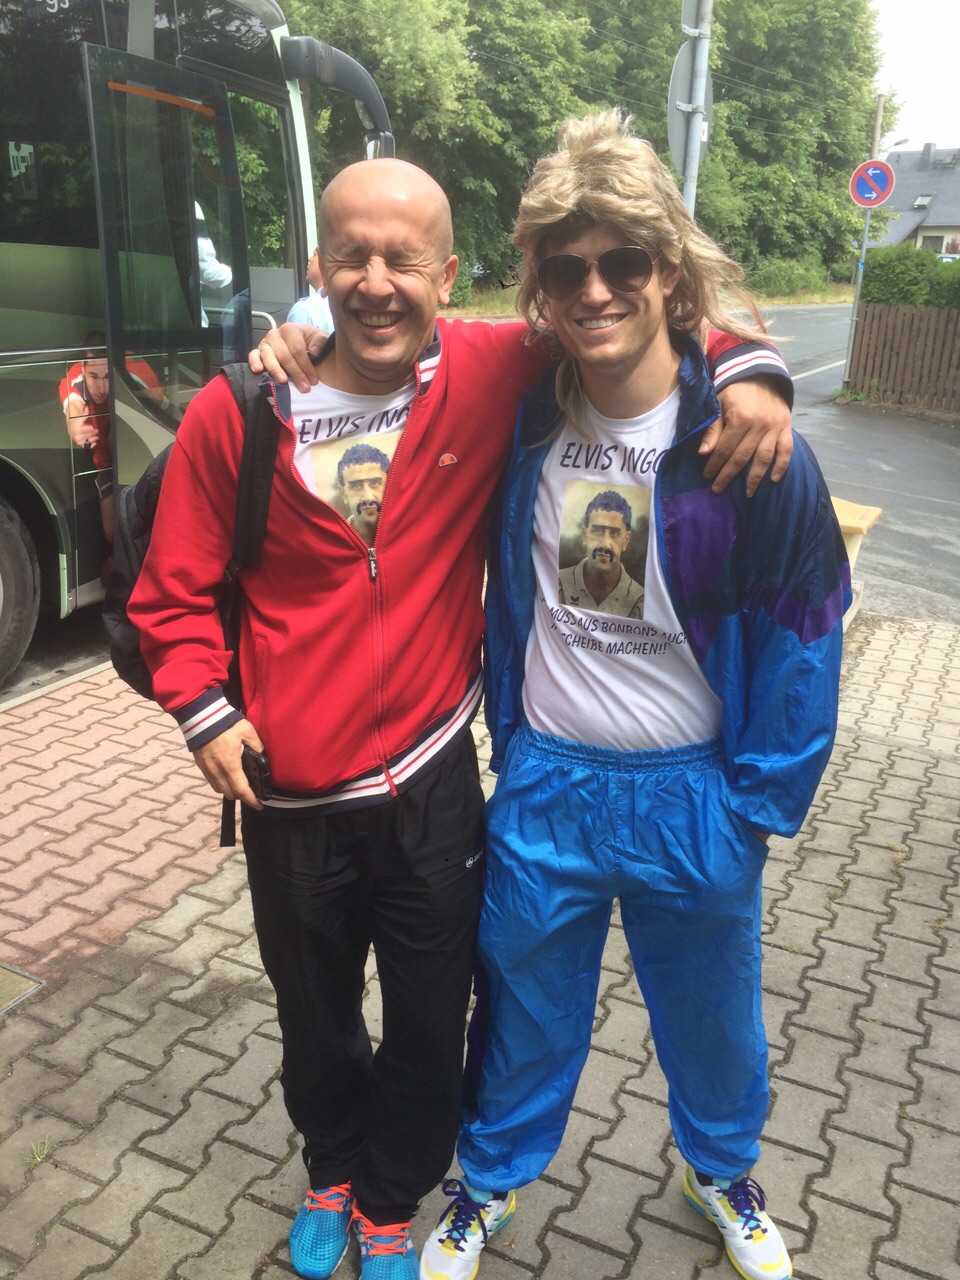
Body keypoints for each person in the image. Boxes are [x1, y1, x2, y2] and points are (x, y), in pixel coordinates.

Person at [129, 153, 796, 1280]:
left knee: (440, 1016)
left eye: (404, 258)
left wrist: (758, 370)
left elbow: (640, 311)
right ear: (318, 268)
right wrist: (202, 708)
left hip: (439, 776)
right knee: (316, 1012)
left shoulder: (493, 370)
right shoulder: (241, 410)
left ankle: (397, 1192)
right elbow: (171, 589)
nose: (378, 281)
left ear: (450, 275)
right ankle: (333, 1164)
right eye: (353, 257)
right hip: (291, 788)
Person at [419, 112, 850, 1280]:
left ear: (669, 267)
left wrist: (758, 809)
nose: (597, 290)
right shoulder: (522, 416)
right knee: (522, 1014)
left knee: (713, 1020)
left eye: (623, 262)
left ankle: (721, 1168)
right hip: (549, 779)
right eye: (569, 269)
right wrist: (294, 339)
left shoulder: (747, 447)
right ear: (543, 289)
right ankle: (492, 1179)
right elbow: (387, 326)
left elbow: (809, 634)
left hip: (694, 795)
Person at [558, 488, 644, 617]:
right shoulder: (558, 583)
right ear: (584, 535)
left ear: (626, 540)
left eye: (614, 533)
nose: (605, 544)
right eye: (598, 531)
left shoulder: (640, 600)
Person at [288, 244, 335, 330]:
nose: (309, 259)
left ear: (322, 263)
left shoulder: (304, 310)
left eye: (314, 255)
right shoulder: (346, 307)